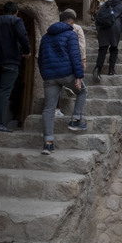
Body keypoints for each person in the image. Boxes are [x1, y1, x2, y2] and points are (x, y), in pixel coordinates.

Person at [38, 10, 88, 155]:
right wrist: (78, 77)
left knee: (49, 108)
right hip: (67, 74)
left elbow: (40, 58)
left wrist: (45, 75)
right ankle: (75, 120)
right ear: (71, 22)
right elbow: (75, 55)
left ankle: (48, 143)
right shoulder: (71, 34)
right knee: (83, 91)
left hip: (49, 76)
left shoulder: (46, 37)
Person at [0, 1, 31, 132]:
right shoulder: (16, 21)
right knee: (4, 91)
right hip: (11, 61)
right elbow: (23, 36)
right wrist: (27, 51)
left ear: (3, 11)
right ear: (16, 12)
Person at [55, 9, 87, 118]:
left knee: (57, 85)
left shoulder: (55, 28)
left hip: (57, 60)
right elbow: (81, 45)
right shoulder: (77, 28)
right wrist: (83, 60)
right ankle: (76, 118)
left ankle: (56, 108)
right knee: (81, 88)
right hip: (72, 60)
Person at [93, 0, 122, 82]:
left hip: (103, 28)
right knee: (114, 48)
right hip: (115, 28)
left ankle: (97, 69)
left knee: (102, 49)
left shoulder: (106, 3)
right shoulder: (121, 4)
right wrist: (120, 27)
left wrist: (99, 28)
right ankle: (111, 70)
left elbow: (98, 16)